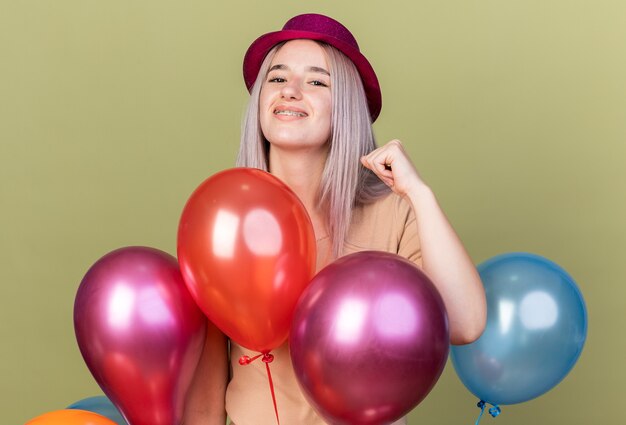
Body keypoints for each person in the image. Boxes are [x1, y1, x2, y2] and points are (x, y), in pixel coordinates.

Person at [183, 13, 487, 425]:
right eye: (276, 78)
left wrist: (420, 194)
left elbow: (465, 324)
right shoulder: (226, 218)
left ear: (345, 107)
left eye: (316, 81)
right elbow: (206, 381)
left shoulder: (393, 214)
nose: (290, 91)